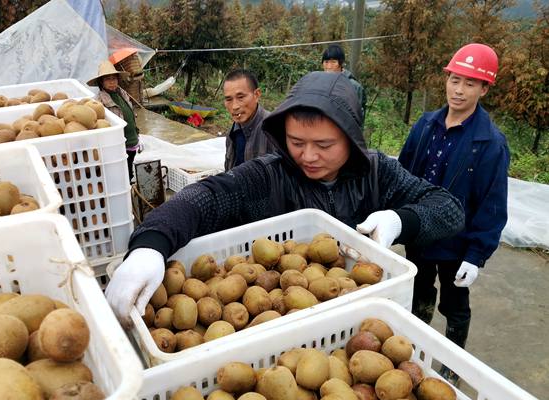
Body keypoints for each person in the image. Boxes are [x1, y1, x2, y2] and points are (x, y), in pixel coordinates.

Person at [105, 71, 465, 324]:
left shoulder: (377, 173)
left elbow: (448, 209)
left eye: (324, 145)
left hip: (356, 316)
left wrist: (399, 220)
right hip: (280, 321)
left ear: (351, 140)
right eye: (296, 143)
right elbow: (206, 197)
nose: (308, 156)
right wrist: (150, 245)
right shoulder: (269, 175)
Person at [398, 44, 510, 358]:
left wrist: (476, 255)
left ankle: (452, 362)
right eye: (454, 80)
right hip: (420, 232)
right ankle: (414, 350)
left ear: (484, 89)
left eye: (469, 84)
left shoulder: (489, 143)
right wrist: (394, 216)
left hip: (455, 243)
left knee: (455, 303)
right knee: (419, 291)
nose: (458, 91)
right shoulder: (425, 126)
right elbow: (402, 174)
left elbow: (492, 203)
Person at [87, 60, 140, 181]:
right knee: (122, 173)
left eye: (114, 78)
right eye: (108, 79)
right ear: (101, 82)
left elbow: (130, 113)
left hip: (132, 140)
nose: (112, 82)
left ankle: (129, 186)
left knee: (129, 169)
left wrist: (136, 133)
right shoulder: (99, 101)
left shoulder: (122, 93)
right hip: (120, 143)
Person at [223, 69, 278, 171]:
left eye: (241, 97)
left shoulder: (274, 129)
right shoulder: (233, 132)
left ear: (256, 95)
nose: (234, 106)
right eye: (229, 99)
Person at [322, 44, 367, 123]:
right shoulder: (319, 83)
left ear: (341, 63)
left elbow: (357, 117)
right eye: (326, 62)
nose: (329, 66)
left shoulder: (354, 86)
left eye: (333, 62)